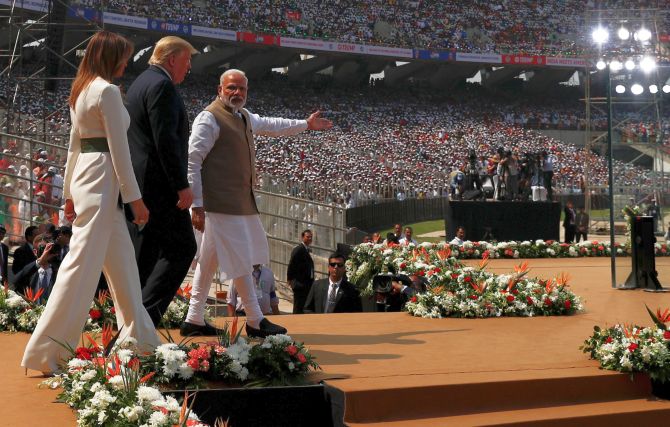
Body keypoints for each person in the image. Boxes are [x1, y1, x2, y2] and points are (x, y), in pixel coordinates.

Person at [22, 31, 159, 375]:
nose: (128, 62)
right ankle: (46, 353)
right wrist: (136, 200)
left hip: (88, 180)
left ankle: (143, 341)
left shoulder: (83, 89)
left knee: (124, 265)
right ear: (111, 56)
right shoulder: (107, 91)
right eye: (124, 56)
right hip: (102, 183)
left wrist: (68, 192)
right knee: (79, 268)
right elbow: (119, 150)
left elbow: (73, 147)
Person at [183, 69, 332, 337]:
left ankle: (194, 317)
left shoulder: (244, 116)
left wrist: (305, 125)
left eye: (242, 89)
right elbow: (192, 160)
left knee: (208, 261)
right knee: (242, 258)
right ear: (220, 89)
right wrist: (197, 204)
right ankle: (254, 318)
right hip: (220, 204)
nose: (237, 93)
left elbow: (273, 125)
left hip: (237, 202)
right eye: (231, 88)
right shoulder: (209, 118)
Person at [125, 36, 199, 325]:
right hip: (159, 186)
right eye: (186, 60)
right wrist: (182, 184)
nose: (189, 66)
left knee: (146, 257)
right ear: (171, 59)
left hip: (143, 185)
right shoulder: (162, 86)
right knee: (182, 248)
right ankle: (143, 320)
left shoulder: (142, 81)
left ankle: (131, 324)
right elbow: (164, 140)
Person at [287, 229, 315, 315]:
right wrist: (290, 279)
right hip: (300, 283)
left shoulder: (306, 249)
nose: (309, 239)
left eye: (311, 237)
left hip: (306, 283)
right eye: (307, 237)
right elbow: (291, 264)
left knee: (303, 306)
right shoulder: (298, 249)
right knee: (298, 306)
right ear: (302, 237)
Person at [11, 225, 38, 293]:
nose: (39, 237)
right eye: (36, 235)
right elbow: (17, 270)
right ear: (29, 237)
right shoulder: (20, 251)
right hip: (25, 288)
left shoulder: (41, 249)